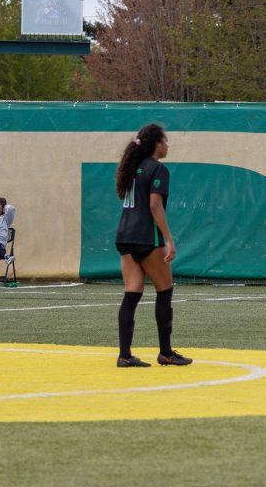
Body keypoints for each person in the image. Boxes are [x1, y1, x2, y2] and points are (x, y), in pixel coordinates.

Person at [114, 123, 191, 367]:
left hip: (124, 236)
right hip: (146, 237)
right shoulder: (158, 169)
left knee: (132, 292)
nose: (168, 145)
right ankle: (166, 352)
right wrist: (169, 239)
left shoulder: (131, 167)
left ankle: (124, 355)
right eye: (165, 141)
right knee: (165, 290)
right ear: (155, 144)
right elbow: (154, 206)